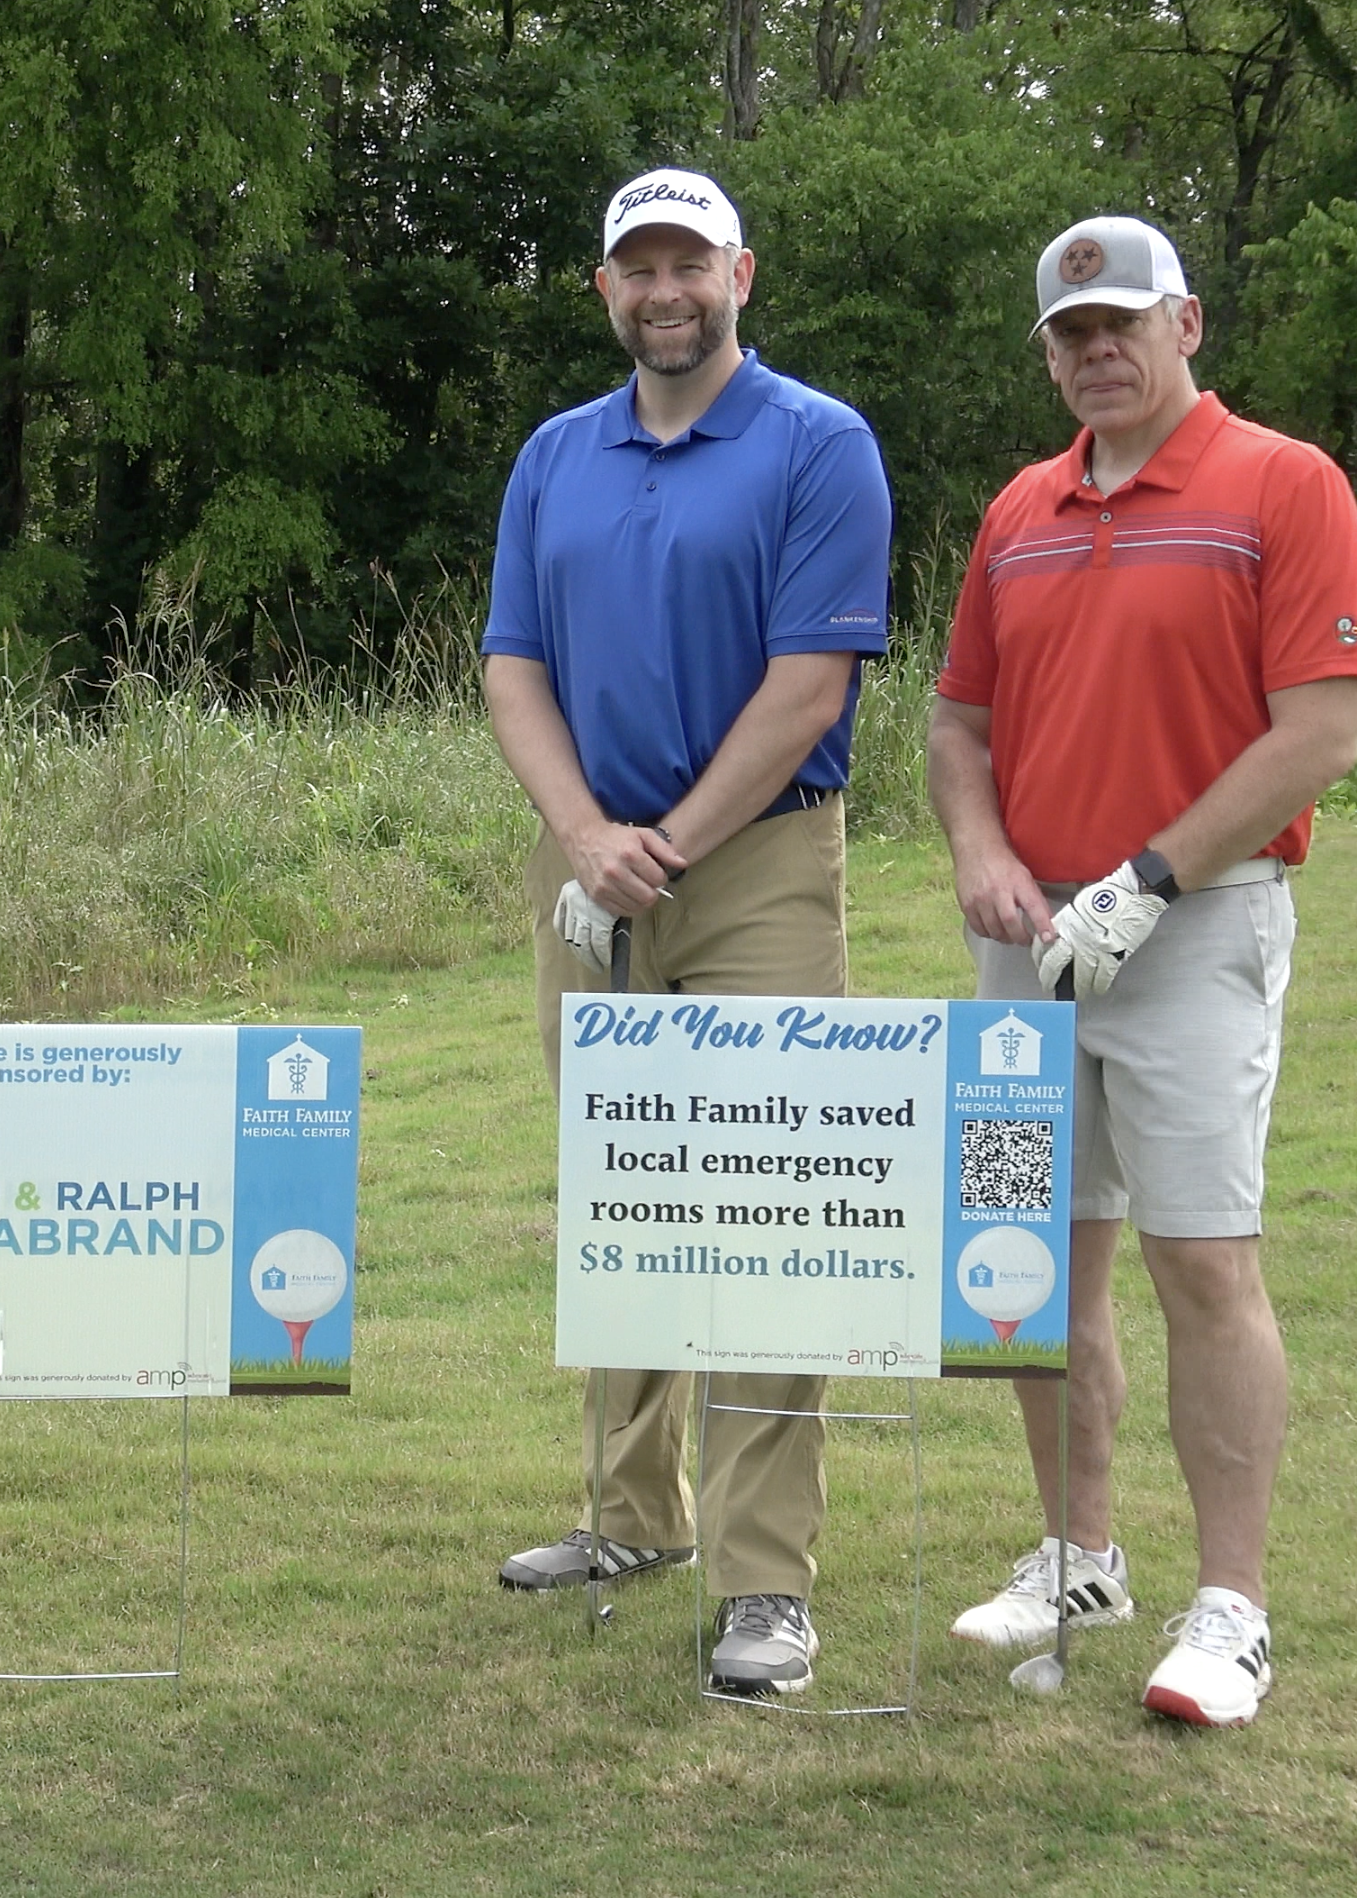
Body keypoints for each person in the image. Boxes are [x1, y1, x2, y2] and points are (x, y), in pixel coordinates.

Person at [927, 216, 1357, 1726]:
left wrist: (1147, 878)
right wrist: (984, 862)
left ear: (1187, 323)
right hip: (1023, 946)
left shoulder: (1281, 483)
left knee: (1201, 1260)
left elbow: (1315, 730)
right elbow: (960, 729)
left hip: (1193, 928)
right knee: (1030, 1266)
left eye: (1119, 320)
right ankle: (1078, 1554)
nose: (1093, 349)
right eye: (1067, 331)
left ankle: (1229, 1606)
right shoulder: (1020, 508)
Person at [482, 168, 894, 1694]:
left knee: (768, 1211)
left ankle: (764, 1581)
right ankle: (625, 1514)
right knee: (623, 1184)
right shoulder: (554, 453)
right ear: (604, 288)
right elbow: (511, 664)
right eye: (635, 266)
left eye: (689, 263)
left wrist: (664, 844)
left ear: (740, 274)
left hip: (758, 863)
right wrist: (588, 841)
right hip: (586, 862)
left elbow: (810, 683)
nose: (664, 289)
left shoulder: (814, 441)